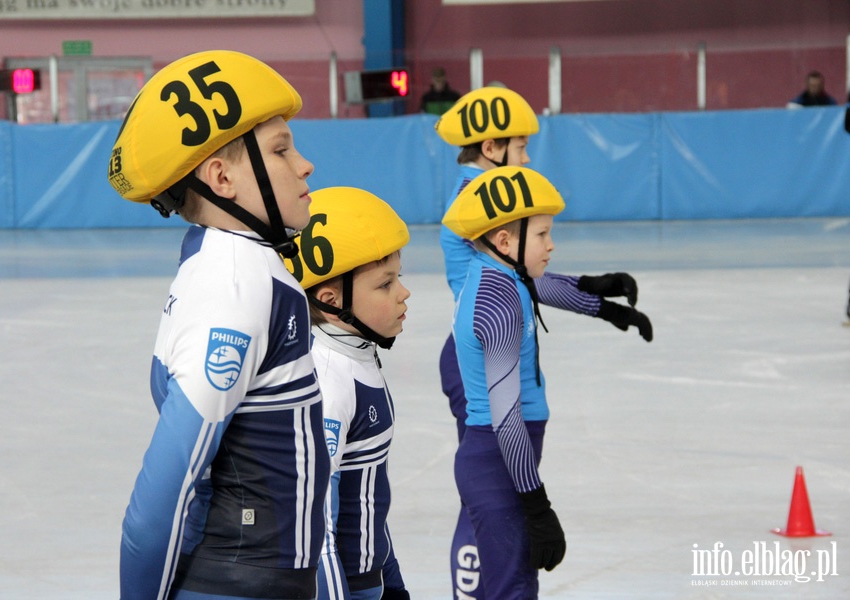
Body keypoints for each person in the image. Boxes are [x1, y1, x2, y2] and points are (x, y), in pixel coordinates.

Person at [107, 50, 330, 600]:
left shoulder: (231, 261)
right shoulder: (235, 283)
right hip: (238, 581)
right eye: (281, 150)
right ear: (222, 177)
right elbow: (163, 496)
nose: (305, 166)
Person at [434, 85, 653, 600]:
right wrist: (538, 505)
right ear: (491, 148)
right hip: (485, 363)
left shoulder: (497, 222)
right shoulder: (482, 209)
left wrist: (595, 296)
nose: (528, 155)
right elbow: (509, 292)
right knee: (491, 507)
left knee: (492, 509)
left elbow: (524, 281)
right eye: (521, 146)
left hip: (493, 358)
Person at [444, 165, 574, 598]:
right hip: (496, 461)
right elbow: (506, 418)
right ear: (504, 241)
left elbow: (552, 287)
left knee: (513, 584)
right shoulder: (498, 301)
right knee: (511, 589)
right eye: (541, 235)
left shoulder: (504, 276)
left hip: (499, 463)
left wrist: (602, 298)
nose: (551, 245)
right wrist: (538, 505)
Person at [286, 187, 412, 600]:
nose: (403, 293)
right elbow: (314, 527)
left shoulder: (358, 357)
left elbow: (368, 497)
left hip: (364, 582)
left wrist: (390, 582)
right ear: (331, 299)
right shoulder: (327, 379)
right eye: (385, 284)